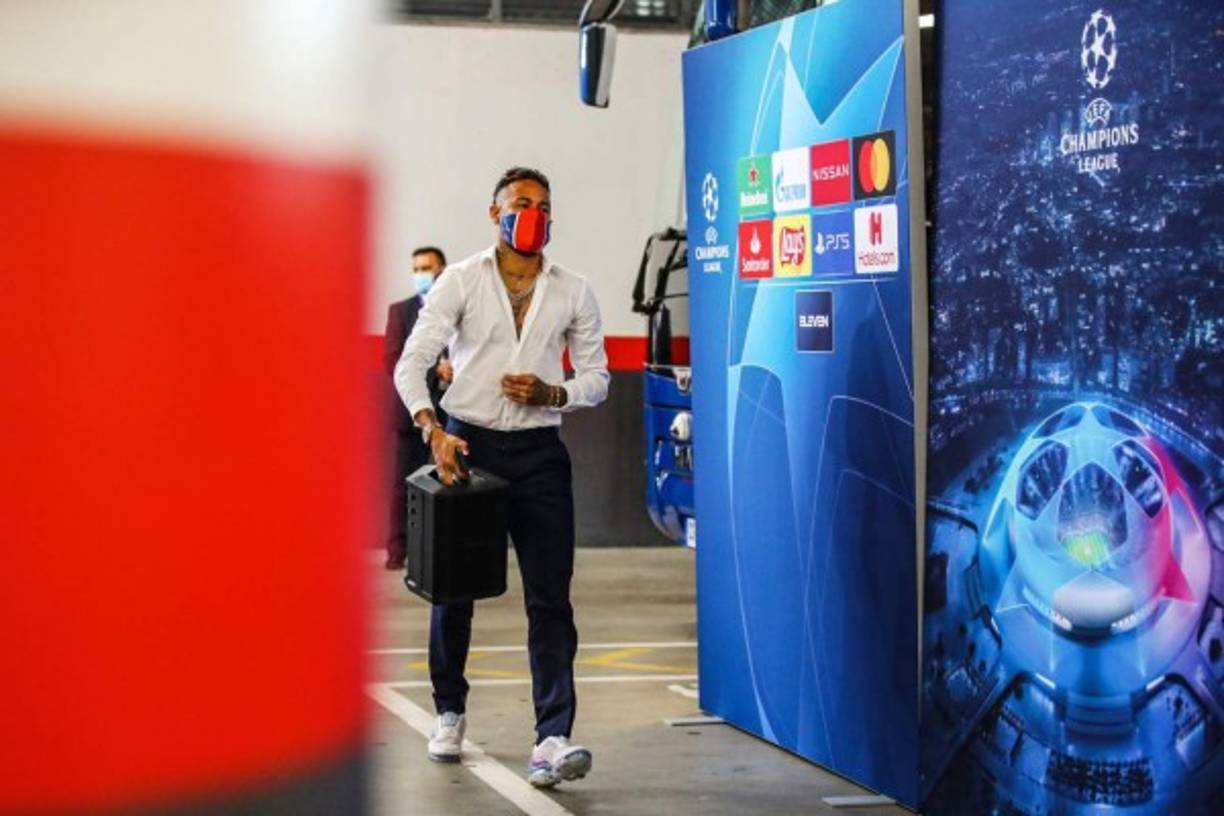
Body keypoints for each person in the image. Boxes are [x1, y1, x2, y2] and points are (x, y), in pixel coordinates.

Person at [394, 166, 609, 788]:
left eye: (543, 204)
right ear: (496, 215)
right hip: (469, 445)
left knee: (550, 599)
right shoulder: (461, 280)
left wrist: (555, 390)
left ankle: (552, 736)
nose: (533, 213)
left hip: (540, 453)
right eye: (521, 203)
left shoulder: (574, 290)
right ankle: (450, 710)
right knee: (454, 594)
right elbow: (412, 363)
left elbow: (597, 378)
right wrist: (434, 431)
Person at [383, 246, 453, 570]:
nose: (421, 274)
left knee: (450, 483)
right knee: (403, 484)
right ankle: (398, 551)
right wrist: (434, 371)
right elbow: (394, 361)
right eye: (417, 268)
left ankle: (444, 551)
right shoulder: (401, 312)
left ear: (443, 269)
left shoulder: (459, 311)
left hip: (453, 412)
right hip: (410, 413)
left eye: (427, 267)